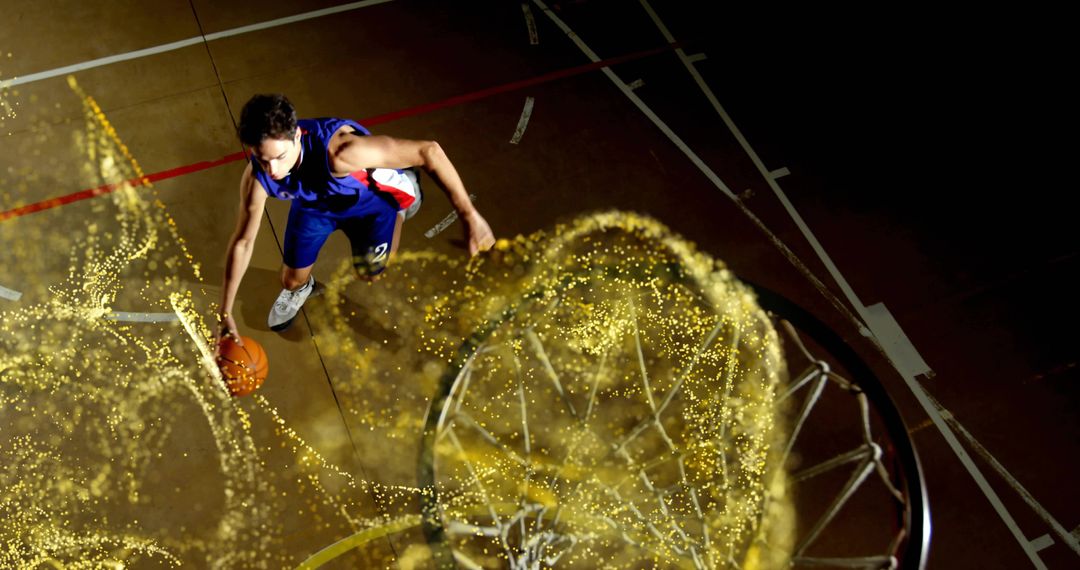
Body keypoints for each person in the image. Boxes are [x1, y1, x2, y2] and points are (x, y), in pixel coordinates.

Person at [216, 93, 494, 344]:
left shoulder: (342, 151)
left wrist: (470, 216)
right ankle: (303, 289)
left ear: (297, 136)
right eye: (262, 159)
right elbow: (243, 242)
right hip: (315, 208)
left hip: (369, 209)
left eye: (279, 157)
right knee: (290, 281)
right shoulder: (258, 176)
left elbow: (428, 151)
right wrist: (225, 312)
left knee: (370, 272)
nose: (272, 170)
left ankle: (401, 204)